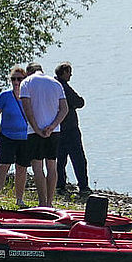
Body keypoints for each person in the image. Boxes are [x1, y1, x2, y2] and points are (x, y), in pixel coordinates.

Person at [19, 61, 69, 209]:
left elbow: (28, 110)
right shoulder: (55, 83)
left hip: (35, 131)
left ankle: (42, 202)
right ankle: (49, 202)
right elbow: (64, 109)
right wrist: (52, 126)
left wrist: (37, 128)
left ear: (28, 72)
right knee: (52, 166)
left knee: (37, 167)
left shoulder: (26, 83)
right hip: (54, 131)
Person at [0, 65, 32, 208]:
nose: (16, 82)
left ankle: (19, 200)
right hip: (7, 137)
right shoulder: (5, 96)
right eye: (13, 79)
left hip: (25, 139)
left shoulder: (29, 97)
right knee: (2, 167)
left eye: (19, 79)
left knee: (21, 169)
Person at [51, 62, 90, 198]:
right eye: (69, 72)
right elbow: (79, 102)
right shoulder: (64, 87)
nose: (71, 75)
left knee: (60, 159)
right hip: (70, 129)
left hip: (57, 129)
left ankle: (59, 185)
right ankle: (83, 186)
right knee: (78, 158)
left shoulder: (53, 86)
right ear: (64, 72)